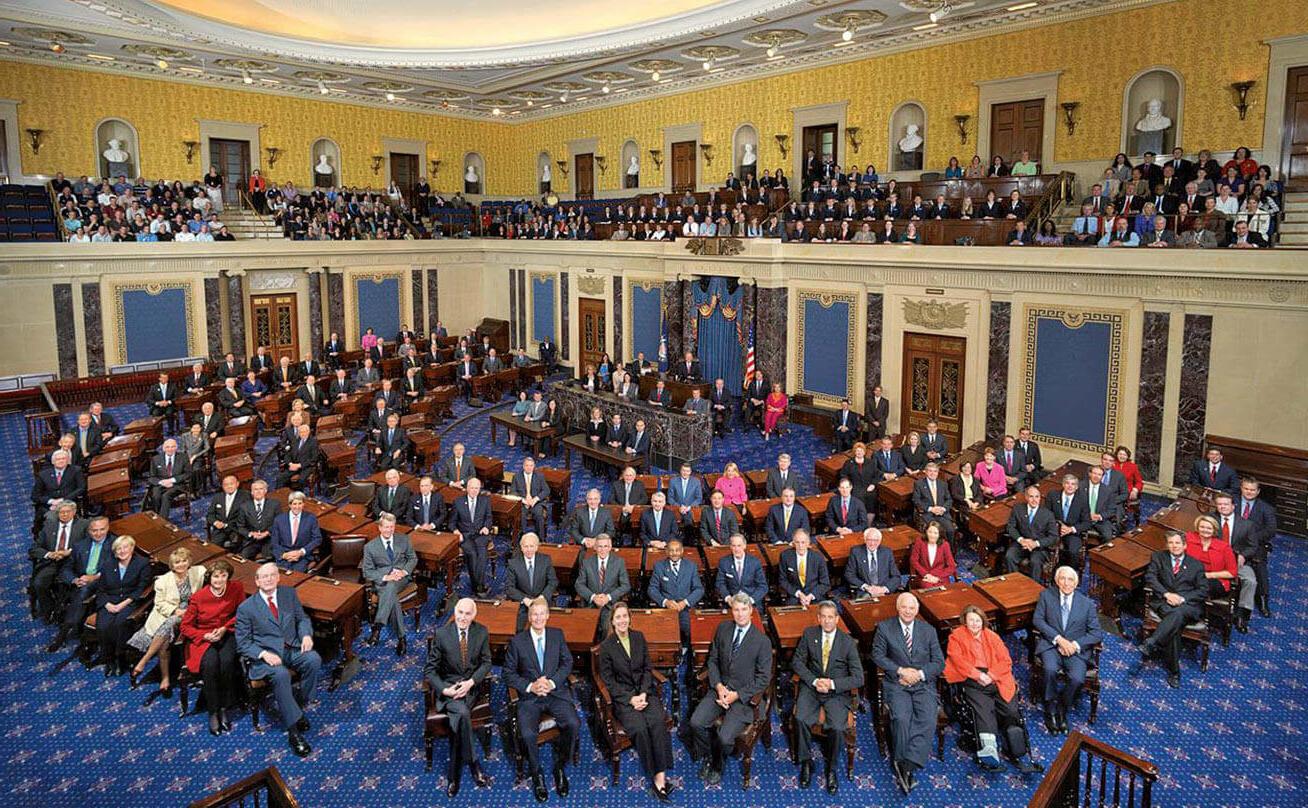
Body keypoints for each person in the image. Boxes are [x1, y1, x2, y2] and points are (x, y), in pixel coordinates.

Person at [944, 605, 1043, 774]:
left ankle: (1016, 747)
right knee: (984, 711)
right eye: (970, 620)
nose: (974, 624)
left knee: (1011, 710)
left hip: (996, 677)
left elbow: (1005, 661)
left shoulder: (992, 637)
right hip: (971, 679)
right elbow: (958, 660)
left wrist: (991, 675)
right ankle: (989, 751)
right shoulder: (957, 636)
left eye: (977, 620)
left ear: (983, 621)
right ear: (965, 622)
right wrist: (978, 675)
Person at [236, 563, 321, 756]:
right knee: (282, 675)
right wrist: (263, 654)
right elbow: (243, 643)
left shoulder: (288, 594)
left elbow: (302, 619)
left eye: (272, 575)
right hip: (266, 657)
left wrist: (306, 635)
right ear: (257, 581)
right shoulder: (246, 608)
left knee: (313, 660)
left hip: (291, 648)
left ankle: (296, 707)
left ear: (278, 578)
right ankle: (293, 731)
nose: (268, 579)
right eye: (263, 577)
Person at [690, 592, 773, 786]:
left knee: (725, 738)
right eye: (736, 610)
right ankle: (710, 756)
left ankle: (718, 764)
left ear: (751, 611)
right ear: (731, 611)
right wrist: (718, 686)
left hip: (743, 698)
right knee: (696, 722)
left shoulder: (762, 642)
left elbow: (763, 679)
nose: (740, 614)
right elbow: (713, 660)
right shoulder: (723, 629)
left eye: (744, 609)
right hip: (720, 690)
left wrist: (737, 695)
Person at [504, 598, 581, 802]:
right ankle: (537, 773)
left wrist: (552, 683)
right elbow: (508, 674)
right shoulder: (517, 641)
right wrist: (531, 686)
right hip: (530, 698)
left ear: (548, 615)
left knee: (573, 723)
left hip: (555, 693)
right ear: (529, 617)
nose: (538, 618)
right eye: (534, 614)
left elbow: (567, 663)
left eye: (542, 614)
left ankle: (560, 767)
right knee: (528, 734)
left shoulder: (557, 635)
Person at [597, 602, 677, 799]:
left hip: (645, 693)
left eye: (625, 616)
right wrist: (630, 699)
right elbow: (608, 681)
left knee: (658, 722)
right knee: (640, 729)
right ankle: (656, 776)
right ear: (612, 621)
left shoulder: (638, 637)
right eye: (618, 617)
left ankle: (661, 776)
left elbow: (647, 669)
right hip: (624, 699)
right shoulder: (606, 647)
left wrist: (642, 693)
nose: (622, 620)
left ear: (629, 618)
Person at [872, 592, 945, 795]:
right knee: (902, 719)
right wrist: (901, 671)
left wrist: (919, 674)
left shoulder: (928, 630)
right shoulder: (885, 628)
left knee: (928, 717)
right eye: (904, 607)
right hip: (897, 684)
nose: (908, 611)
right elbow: (877, 655)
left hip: (922, 684)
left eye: (912, 608)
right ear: (898, 607)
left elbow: (939, 662)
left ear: (917, 610)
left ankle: (908, 762)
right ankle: (903, 765)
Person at [791, 600, 864, 793]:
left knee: (838, 728)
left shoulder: (848, 642)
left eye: (830, 617)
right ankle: (806, 762)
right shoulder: (809, 634)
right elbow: (797, 663)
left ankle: (831, 769)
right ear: (818, 618)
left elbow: (858, 677)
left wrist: (832, 684)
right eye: (823, 616)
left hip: (836, 693)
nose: (827, 621)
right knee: (800, 718)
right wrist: (814, 681)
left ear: (837, 619)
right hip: (812, 687)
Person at [424, 598, 493, 796]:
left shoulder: (482, 632)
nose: (463, 617)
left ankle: (453, 776)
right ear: (455, 612)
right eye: (460, 613)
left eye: (467, 614)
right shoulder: (442, 634)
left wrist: (471, 682)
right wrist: (445, 691)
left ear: (474, 615)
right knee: (462, 714)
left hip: (471, 689)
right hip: (449, 690)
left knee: (459, 722)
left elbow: (487, 663)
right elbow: (430, 669)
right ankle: (473, 763)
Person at [1032, 566, 1102, 733]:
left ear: (1076, 583)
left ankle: (1063, 708)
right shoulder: (1046, 596)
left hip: (1075, 650)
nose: (1066, 583)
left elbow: (1096, 633)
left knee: (1077, 678)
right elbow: (1038, 620)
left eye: (1070, 579)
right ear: (1057, 581)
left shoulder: (1087, 604)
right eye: (1062, 578)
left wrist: (1075, 645)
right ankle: (1050, 708)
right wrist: (1059, 640)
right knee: (1049, 669)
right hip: (1051, 645)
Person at [180, 558, 245, 735]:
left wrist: (225, 628)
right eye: (215, 576)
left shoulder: (236, 588)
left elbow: (242, 613)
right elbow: (185, 626)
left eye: (223, 576)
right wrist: (204, 635)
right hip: (204, 637)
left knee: (227, 663)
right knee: (210, 666)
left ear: (228, 577)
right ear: (210, 578)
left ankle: (224, 707)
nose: (219, 580)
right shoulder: (198, 597)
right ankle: (213, 711)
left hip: (227, 632)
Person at [1140, 531, 1207, 688]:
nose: (1174, 546)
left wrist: (1182, 599)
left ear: (1184, 545)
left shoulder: (1196, 565)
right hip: (1165, 603)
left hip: (1188, 606)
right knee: (1174, 627)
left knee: (1176, 614)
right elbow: (1150, 577)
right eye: (1171, 543)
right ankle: (1174, 672)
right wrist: (1166, 594)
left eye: (1177, 543)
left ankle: (1153, 641)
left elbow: (1203, 590)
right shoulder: (1158, 557)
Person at [96, 535, 149, 676]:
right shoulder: (108, 564)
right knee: (103, 627)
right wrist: (107, 604)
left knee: (119, 624)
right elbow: (101, 589)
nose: (122, 551)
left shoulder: (142, 563)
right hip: (109, 601)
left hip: (129, 601)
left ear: (132, 548)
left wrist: (123, 604)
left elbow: (140, 588)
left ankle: (120, 658)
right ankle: (109, 659)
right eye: (118, 548)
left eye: (125, 547)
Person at [647, 538, 702, 650]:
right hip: (666, 608)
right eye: (671, 550)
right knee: (662, 633)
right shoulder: (659, 566)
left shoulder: (691, 566)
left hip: (685, 608)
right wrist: (665, 602)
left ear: (682, 551)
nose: (674, 553)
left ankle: (686, 653)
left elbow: (699, 589)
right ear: (666, 552)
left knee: (689, 630)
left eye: (677, 550)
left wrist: (685, 602)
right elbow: (652, 589)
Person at [1237, 477, 1277, 618]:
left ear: (1258, 491)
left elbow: (1271, 530)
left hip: (1256, 543)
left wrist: (1251, 538)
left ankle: (1263, 599)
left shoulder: (1266, 508)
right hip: (1232, 541)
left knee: (1259, 566)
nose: (1249, 492)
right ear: (1241, 488)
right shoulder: (1231, 502)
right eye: (1246, 489)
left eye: (1252, 490)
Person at [575, 534, 630, 632]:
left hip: (611, 606)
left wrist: (608, 597)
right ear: (595, 547)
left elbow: (625, 585)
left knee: (606, 629)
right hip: (591, 605)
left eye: (605, 546)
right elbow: (579, 584)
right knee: (586, 631)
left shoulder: (619, 562)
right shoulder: (586, 562)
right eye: (600, 546)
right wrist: (593, 597)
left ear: (610, 547)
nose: (602, 549)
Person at [505, 533, 558, 631]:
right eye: (526, 546)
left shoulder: (546, 560)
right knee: (519, 630)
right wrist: (525, 600)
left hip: (543, 601)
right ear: (521, 547)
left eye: (531, 546)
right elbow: (509, 587)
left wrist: (542, 597)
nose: (529, 549)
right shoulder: (513, 563)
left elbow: (553, 582)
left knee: (550, 629)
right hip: (523, 604)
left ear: (537, 547)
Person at [450, 478, 493, 596]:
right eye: (472, 488)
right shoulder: (458, 502)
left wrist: (486, 527)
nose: (474, 490)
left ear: (479, 489)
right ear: (467, 488)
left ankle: (477, 586)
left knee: (482, 556)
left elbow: (489, 518)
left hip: (481, 535)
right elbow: (452, 522)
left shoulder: (485, 501)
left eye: (477, 488)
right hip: (465, 536)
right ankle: (479, 586)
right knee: (472, 555)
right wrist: (456, 531)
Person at [1005, 486, 1059, 576]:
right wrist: (1021, 540)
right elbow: (1010, 527)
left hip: (1039, 547)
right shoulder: (1018, 509)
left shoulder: (1048, 514)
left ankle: (1034, 587)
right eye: (1031, 497)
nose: (1034, 500)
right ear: (1026, 497)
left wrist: (1036, 543)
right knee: (1009, 556)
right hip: (1021, 543)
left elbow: (1053, 537)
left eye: (1037, 497)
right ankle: (1014, 581)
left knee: (1035, 562)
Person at [269, 492, 322, 572]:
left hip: (302, 557)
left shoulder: (311, 518)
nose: (297, 507)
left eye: (300, 503)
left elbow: (317, 539)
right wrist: (284, 555)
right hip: (284, 556)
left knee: (297, 576)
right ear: (290, 505)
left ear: (303, 504)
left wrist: (301, 552)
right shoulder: (279, 519)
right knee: (281, 576)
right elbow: (274, 542)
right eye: (294, 504)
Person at [779, 529, 829, 606]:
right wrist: (798, 594)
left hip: (815, 596)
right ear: (793, 543)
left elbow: (825, 583)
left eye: (803, 542)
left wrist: (810, 596)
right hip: (794, 596)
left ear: (808, 543)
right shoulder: (785, 556)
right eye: (797, 542)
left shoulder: (818, 558)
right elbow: (782, 580)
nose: (800, 546)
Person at [912, 463, 955, 544]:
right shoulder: (919, 484)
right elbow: (916, 500)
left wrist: (943, 508)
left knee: (950, 530)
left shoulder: (943, 484)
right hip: (928, 514)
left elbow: (949, 499)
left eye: (935, 471)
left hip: (942, 514)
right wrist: (931, 509)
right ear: (926, 472)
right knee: (934, 532)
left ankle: (949, 553)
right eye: (930, 471)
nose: (933, 473)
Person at [146, 438, 191, 515]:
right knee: (155, 496)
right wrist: (161, 482)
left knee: (166, 496)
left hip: (177, 485)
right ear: (163, 448)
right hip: (161, 484)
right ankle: (156, 517)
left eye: (173, 446)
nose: (170, 449)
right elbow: (151, 477)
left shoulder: (183, 457)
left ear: (176, 447)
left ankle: (163, 521)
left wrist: (172, 480)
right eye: (167, 447)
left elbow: (188, 473)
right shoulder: (155, 459)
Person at [511, 457, 549, 538]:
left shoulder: (540, 476)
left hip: (536, 503)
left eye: (531, 466)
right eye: (527, 465)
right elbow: (513, 492)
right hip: (522, 503)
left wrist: (535, 499)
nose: (529, 468)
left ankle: (541, 538)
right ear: (523, 466)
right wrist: (523, 501)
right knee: (520, 516)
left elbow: (546, 490)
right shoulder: (516, 477)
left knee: (539, 515)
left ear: (534, 466)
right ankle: (523, 537)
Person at [910, 521, 956, 586]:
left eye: (935, 533)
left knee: (944, 591)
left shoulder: (945, 545)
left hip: (941, 577)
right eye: (930, 532)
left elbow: (951, 566)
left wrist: (937, 577)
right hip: (924, 576)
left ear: (940, 534)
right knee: (928, 589)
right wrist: (926, 574)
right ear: (926, 532)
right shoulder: (920, 542)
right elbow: (913, 560)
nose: (932, 535)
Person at [666, 463, 703, 531]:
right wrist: (679, 507)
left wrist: (689, 507)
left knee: (689, 517)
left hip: (691, 508)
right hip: (676, 507)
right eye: (683, 470)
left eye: (687, 471)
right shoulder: (673, 481)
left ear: (690, 472)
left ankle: (688, 537)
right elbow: (670, 498)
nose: (685, 473)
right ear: (680, 471)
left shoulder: (696, 481)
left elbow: (699, 498)